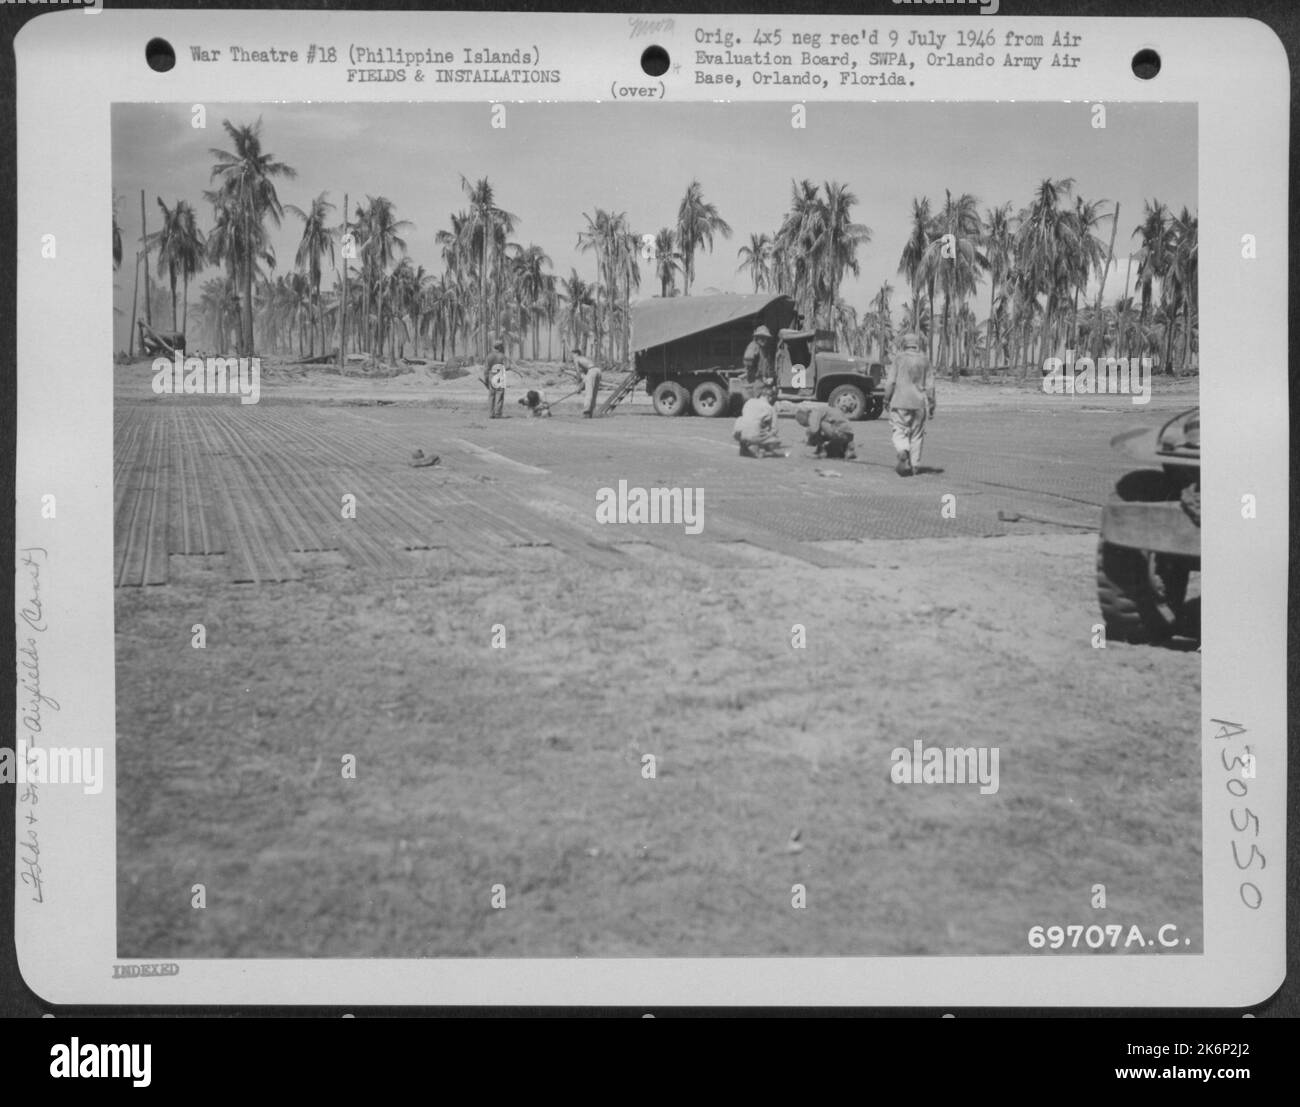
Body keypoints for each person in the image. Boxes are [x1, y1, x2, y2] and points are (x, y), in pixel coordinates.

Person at [882, 332, 935, 476]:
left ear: (904, 344)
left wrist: (886, 399)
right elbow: (930, 387)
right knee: (917, 435)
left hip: (899, 402)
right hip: (919, 404)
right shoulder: (925, 360)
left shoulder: (899, 359)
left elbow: (891, 382)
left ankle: (903, 450)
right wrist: (931, 405)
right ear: (917, 344)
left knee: (899, 430)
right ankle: (915, 466)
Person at [732, 385, 786, 458]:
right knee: (776, 440)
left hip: (738, 434)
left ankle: (744, 444)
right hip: (753, 435)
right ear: (770, 397)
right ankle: (758, 449)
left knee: (751, 424)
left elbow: (746, 416)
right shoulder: (770, 408)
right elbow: (775, 430)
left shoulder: (749, 401)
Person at [572, 348, 602, 418]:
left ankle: (586, 411)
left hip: (592, 371)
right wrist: (581, 385)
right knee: (594, 393)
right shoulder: (584, 358)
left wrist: (578, 386)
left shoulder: (576, 359)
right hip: (598, 371)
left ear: (576, 354)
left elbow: (578, 373)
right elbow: (587, 376)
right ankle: (590, 411)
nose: (572, 356)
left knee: (589, 393)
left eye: (572, 354)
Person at [743, 325, 774, 390]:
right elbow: (748, 364)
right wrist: (760, 376)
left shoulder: (764, 349)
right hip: (755, 381)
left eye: (765, 338)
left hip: (763, 380)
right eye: (761, 337)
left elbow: (767, 365)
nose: (764, 340)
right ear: (756, 337)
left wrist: (769, 377)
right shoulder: (753, 346)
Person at [483, 340, 509, 418]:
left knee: (491, 396)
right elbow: (507, 366)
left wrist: (486, 380)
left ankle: (491, 414)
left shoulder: (489, 356)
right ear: (500, 347)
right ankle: (498, 414)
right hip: (500, 376)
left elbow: (486, 370)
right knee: (499, 395)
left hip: (491, 376)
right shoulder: (502, 356)